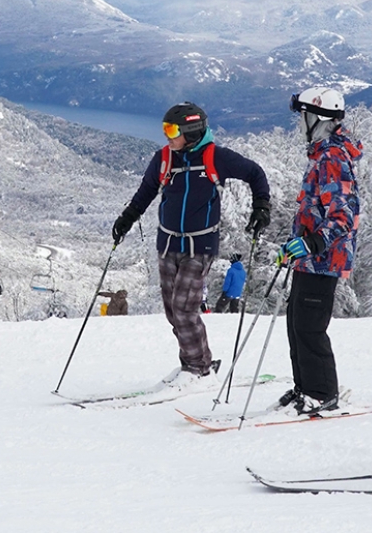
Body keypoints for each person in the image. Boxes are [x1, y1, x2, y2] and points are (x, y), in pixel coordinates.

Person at [111, 101, 271, 388]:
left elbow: (255, 173)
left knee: (185, 308)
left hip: (200, 245)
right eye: (164, 129)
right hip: (167, 242)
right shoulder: (164, 158)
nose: (167, 136)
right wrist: (127, 218)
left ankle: (198, 369)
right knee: (173, 311)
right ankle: (195, 363)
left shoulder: (215, 157)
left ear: (192, 131)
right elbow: (146, 191)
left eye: (171, 130)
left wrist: (261, 206)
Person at [272, 86, 362, 415]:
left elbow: (343, 215)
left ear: (319, 119)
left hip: (325, 259)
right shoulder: (321, 155)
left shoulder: (333, 159)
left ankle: (323, 393)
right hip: (310, 258)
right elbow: (314, 209)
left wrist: (311, 243)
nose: (300, 123)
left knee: (310, 326)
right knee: (296, 322)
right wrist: (297, 244)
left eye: (304, 116)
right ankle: (304, 386)